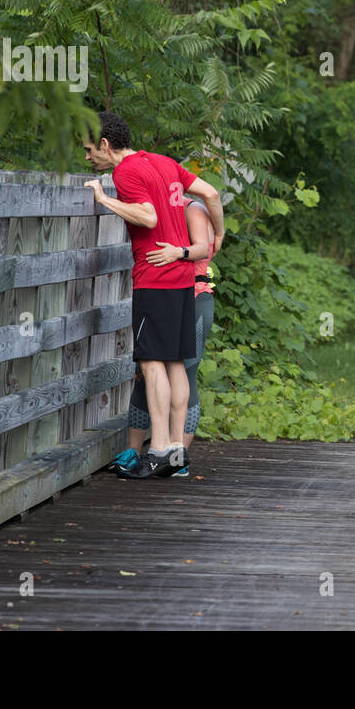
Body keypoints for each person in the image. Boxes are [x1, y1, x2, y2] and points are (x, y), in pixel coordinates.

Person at [82, 112, 224, 479]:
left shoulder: (124, 172)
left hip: (155, 276)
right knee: (175, 362)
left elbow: (145, 217)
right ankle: (176, 450)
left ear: (105, 144)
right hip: (182, 278)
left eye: (88, 150)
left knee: (150, 363)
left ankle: (158, 448)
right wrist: (217, 235)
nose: (87, 158)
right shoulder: (164, 163)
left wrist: (104, 199)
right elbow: (210, 193)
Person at [110, 185, 216, 478]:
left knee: (185, 371)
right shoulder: (156, 210)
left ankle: (178, 455)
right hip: (162, 296)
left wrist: (178, 252)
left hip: (192, 296)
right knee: (146, 373)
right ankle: (134, 451)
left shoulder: (193, 209)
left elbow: (203, 249)